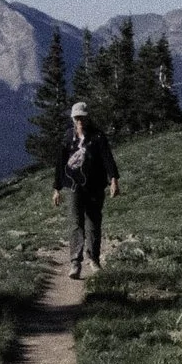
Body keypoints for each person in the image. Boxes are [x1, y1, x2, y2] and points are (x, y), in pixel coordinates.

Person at [50, 100, 119, 278]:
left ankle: (94, 260)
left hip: (95, 185)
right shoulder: (67, 138)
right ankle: (75, 262)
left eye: (83, 117)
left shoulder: (97, 137)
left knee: (93, 222)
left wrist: (114, 179)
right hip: (73, 185)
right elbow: (60, 163)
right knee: (75, 222)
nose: (80, 120)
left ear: (87, 118)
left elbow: (107, 159)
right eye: (77, 117)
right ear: (73, 119)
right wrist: (56, 188)